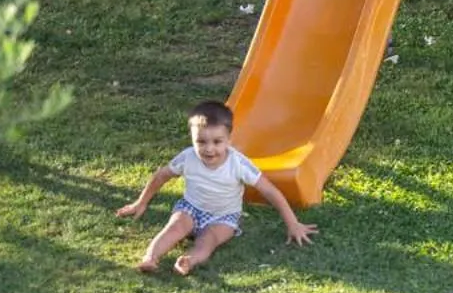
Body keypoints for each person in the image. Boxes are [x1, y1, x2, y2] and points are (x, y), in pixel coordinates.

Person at [116, 100, 318, 274]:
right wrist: (140, 203)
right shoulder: (188, 157)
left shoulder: (238, 164)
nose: (209, 148)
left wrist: (292, 223)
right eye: (201, 141)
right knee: (175, 227)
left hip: (224, 217)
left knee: (209, 240)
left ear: (229, 140)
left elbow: (270, 191)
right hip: (190, 208)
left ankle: (189, 261)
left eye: (217, 141)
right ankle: (150, 258)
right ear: (192, 139)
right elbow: (162, 175)